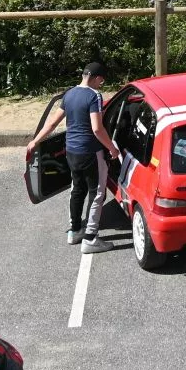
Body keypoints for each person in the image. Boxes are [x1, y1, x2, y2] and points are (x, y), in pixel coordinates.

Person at [24, 63, 121, 254]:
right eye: (101, 80)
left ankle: (75, 230)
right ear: (96, 78)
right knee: (97, 193)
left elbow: (52, 123)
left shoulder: (69, 94)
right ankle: (91, 238)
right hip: (90, 152)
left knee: (77, 189)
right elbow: (97, 128)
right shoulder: (94, 96)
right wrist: (112, 148)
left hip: (71, 152)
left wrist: (35, 141)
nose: (101, 84)